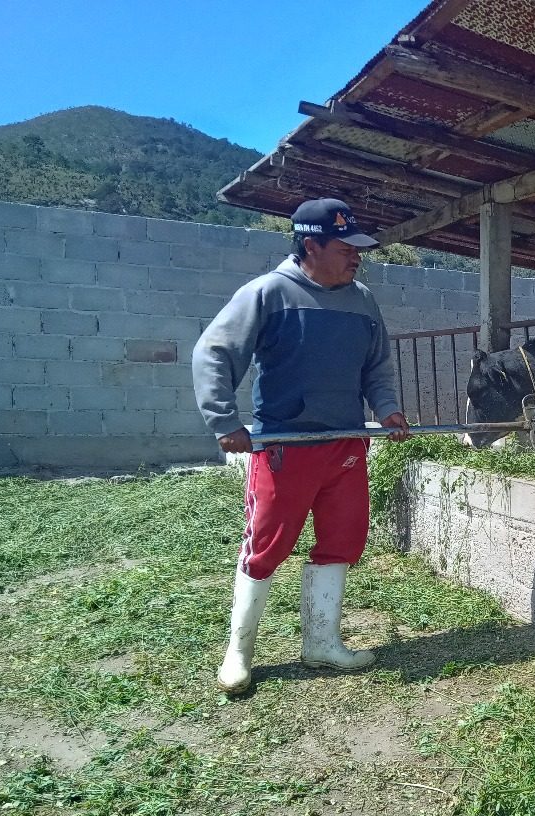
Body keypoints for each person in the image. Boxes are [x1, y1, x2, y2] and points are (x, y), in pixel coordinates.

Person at [192, 198, 410, 694]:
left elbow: (376, 365)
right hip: (285, 444)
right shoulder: (268, 294)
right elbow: (213, 353)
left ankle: (322, 644)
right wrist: (225, 420)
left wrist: (386, 408)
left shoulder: (362, 300)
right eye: (345, 248)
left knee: (342, 539)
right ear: (311, 245)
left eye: (359, 249)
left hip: (345, 443)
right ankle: (239, 654)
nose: (356, 257)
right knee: (266, 546)